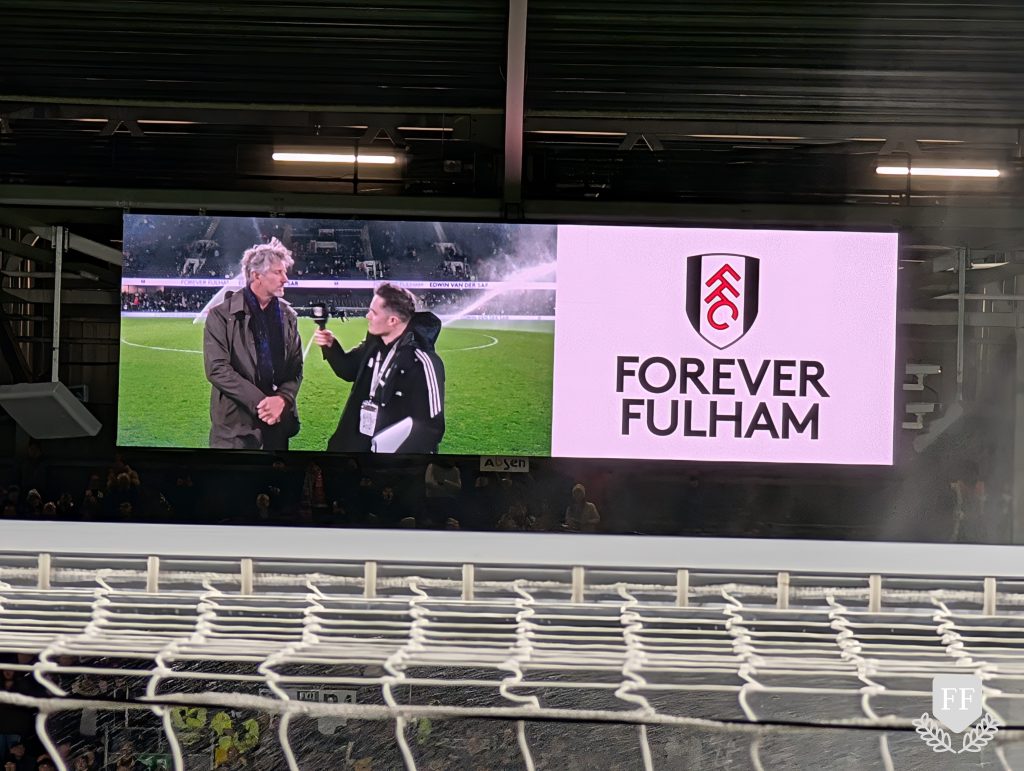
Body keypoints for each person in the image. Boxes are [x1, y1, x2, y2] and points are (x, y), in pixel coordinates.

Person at [314, 283, 445, 453]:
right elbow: (348, 370)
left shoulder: (422, 363)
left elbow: (431, 428)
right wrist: (331, 346)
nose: (367, 316)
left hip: (388, 464)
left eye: (374, 312)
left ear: (392, 320)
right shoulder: (373, 346)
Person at [203, 238, 303, 450]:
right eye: (278, 272)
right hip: (235, 431)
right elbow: (217, 369)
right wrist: (265, 404)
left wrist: (282, 399)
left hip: (277, 425)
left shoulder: (288, 317)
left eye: (285, 272)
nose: (285, 279)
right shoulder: (222, 315)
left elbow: (295, 368)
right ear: (256, 275)